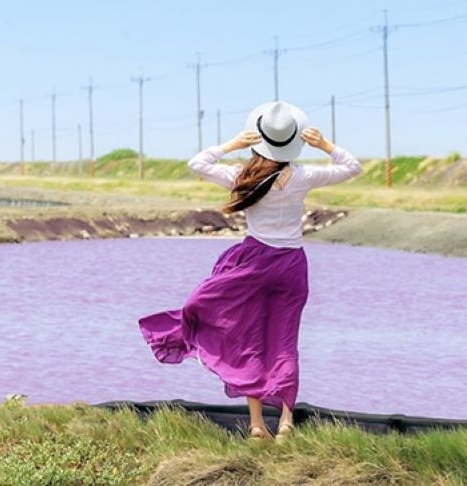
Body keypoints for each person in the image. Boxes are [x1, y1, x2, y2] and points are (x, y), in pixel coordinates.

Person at [137, 100, 363, 443]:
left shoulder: (243, 176)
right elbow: (352, 167)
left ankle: (257, 426)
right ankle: (286, 424)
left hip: (254, 263)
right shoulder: (303, 176)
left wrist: (231, 145)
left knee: (248, 339)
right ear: (293, 142)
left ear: (259, 139)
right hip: (291, 266)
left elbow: (197, 163)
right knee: (285, 343)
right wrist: (326, 146)